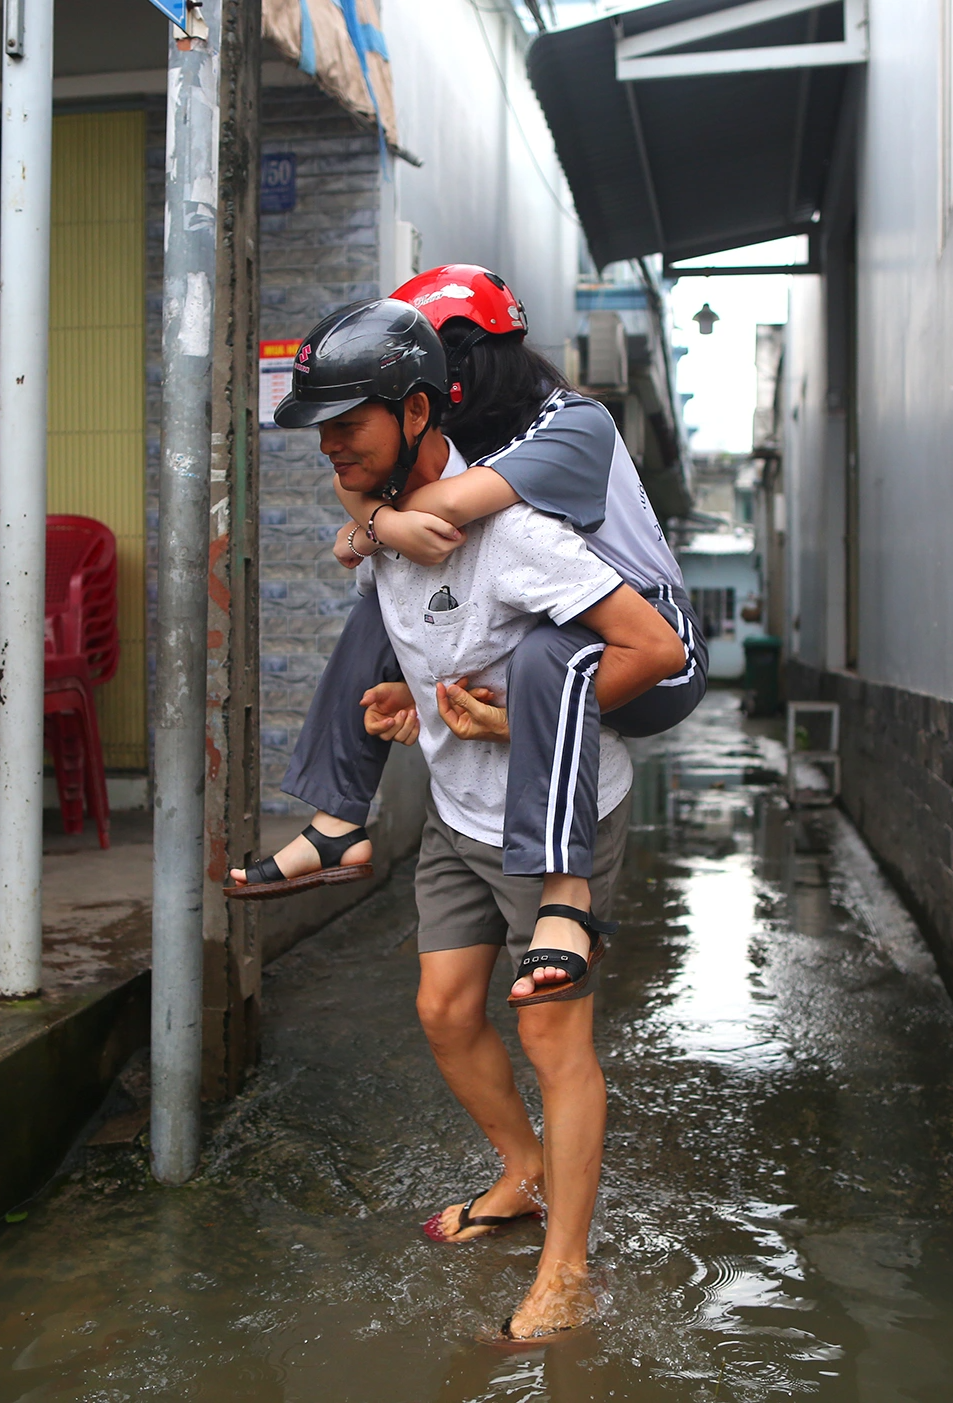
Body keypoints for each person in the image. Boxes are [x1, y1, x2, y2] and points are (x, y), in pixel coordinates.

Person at [268, 298, 685, 1339]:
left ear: (414, 412)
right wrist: (416, 706)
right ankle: (522, 1171)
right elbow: (451, 643)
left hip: (559, 817)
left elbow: (651, 650)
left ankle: (566, 1269)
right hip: (458, 814)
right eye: (316, 426)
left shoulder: (514, 530)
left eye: (346, 423)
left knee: (554, 1040)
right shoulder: (390, 533)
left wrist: (521, 728)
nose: (329, 444)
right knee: (446, 1010)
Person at [229, 266, 704, 1005]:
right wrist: (381, 527)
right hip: (564, 624)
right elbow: (365, 493)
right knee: (380, 604)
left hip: (652, 647)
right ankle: (336, 822)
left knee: (546, 651)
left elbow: (440, 506)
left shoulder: (572, 422)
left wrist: (376, 527)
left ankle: (563, 894)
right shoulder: (470, 433)